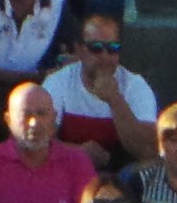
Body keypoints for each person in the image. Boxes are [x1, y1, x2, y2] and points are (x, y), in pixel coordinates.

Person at [37, 11, 156, 170]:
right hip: (68, 172)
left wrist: (115, 100)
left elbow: (148, 151)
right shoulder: (58, 82)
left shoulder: (135, 86)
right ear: (79, 49)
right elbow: (39, 143)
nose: (105, 56)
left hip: (121, 178)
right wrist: (77, 153)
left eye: (112, 48)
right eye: (96, 48)